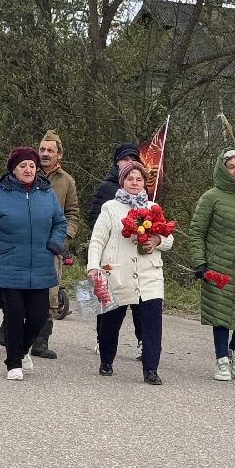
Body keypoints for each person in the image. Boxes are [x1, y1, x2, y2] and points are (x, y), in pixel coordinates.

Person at [0, 148, 68, 381]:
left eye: (32, 166)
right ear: (13, 169)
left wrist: (53, 245)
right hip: (8, 265)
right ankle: (13, 362)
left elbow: (60, 223)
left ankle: (22, 351)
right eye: (23, 166)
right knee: (14, 314)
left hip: (41, 265)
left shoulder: (47, 193)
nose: (28, 170)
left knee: (39, 315)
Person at [84, 159, 172, 384]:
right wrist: (93, 267)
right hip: (116, 273)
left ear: (145, 183)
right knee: (111, 321)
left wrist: (157, 239)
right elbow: (97, 240)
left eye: (139, 179)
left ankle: (151, 368)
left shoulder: (152, 208)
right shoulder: (110, 208)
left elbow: (169, 238)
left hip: (149, 274)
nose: (134, 183)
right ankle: (106, 359)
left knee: (152, 323)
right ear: (122, 182)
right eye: (130, 179)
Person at [187, 148, 235, 381]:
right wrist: (199, 262)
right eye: (231, 166)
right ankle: (221, 359)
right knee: (220, 314)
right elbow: (197, 231)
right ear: (223, 169)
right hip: (218, 264)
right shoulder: (211, 197)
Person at [86, 142, 146, 349]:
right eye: (125, 159)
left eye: (133, 159)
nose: (129, 162)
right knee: (107, 298)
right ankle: (101, 339)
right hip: (110, 254)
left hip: (136, 255)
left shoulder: (144, 191)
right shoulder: (107, 188)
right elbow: (93, 218)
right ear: (117, 162)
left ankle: (142, 340)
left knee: (139, 302)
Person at [30, 129, 79, 358]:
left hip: (52, 245)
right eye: (42, 149)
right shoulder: (26, 172)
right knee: (20, 289)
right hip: (26, 242)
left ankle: (41, 342)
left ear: (59, 154)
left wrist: (64, 238)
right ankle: (11, 328)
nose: (45, 154)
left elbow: (73, 214)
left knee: (50, 294)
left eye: (50, 150)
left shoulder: (67, 181)